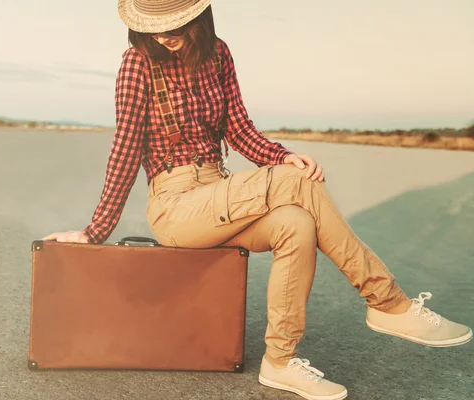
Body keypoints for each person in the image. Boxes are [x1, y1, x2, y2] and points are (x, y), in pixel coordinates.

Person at [43, 1, 472, 399]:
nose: (164, 35)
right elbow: (125, 146)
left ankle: (280, 361)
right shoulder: (137, 63)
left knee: (296, 223)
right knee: (295, 183)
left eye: (173, 24)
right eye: (152, 28)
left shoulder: (219, 55)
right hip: (177, 206)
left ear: (198, 16)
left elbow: (239, 129)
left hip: (219, 190)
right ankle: (387, 302)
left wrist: (282, 155)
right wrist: (95, 230)